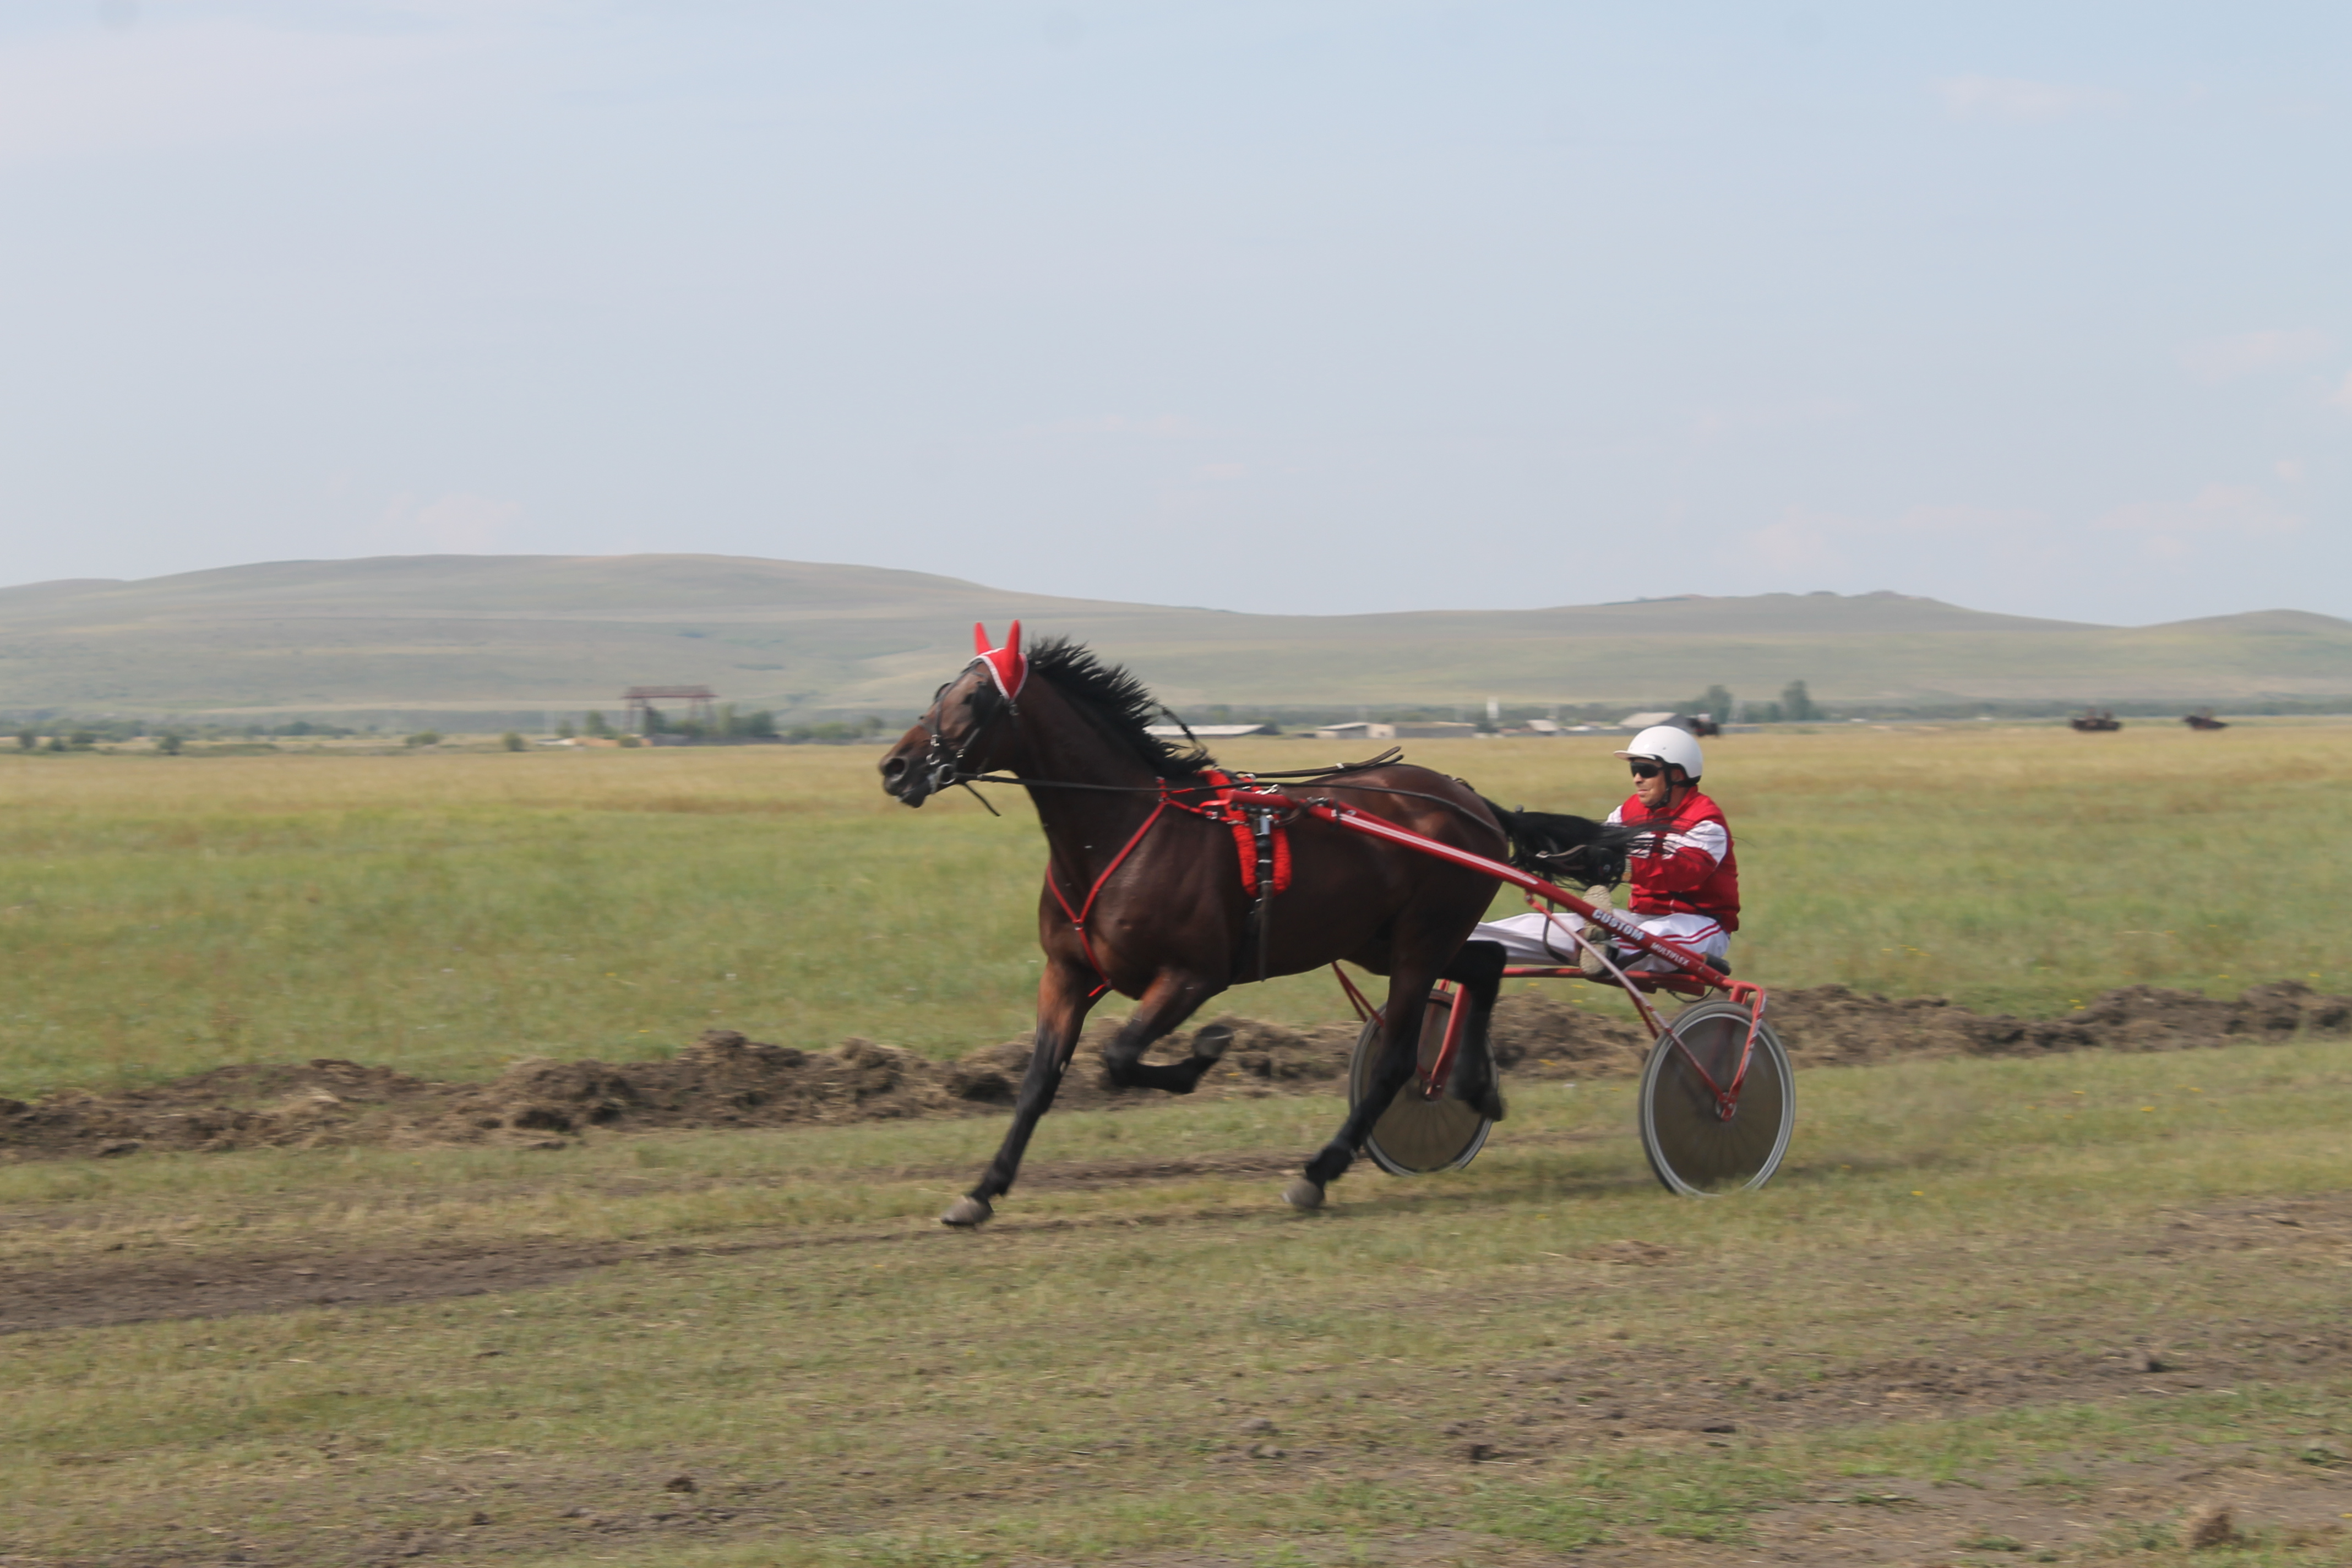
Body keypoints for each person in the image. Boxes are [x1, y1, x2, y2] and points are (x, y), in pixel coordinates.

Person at [1471, 724, 1739, 974]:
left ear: (1677, 775)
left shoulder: (1706, 821)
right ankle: (1466, 941)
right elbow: (1597, 845)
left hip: (1701, 925)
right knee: (1539, 927)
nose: (1636, 779)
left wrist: (1622, 866)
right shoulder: (1628, 811)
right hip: (1640, 918)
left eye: (1646, 770)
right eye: (1633, 769)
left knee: (1649, 938)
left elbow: (1685, 872)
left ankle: (1602, 949)